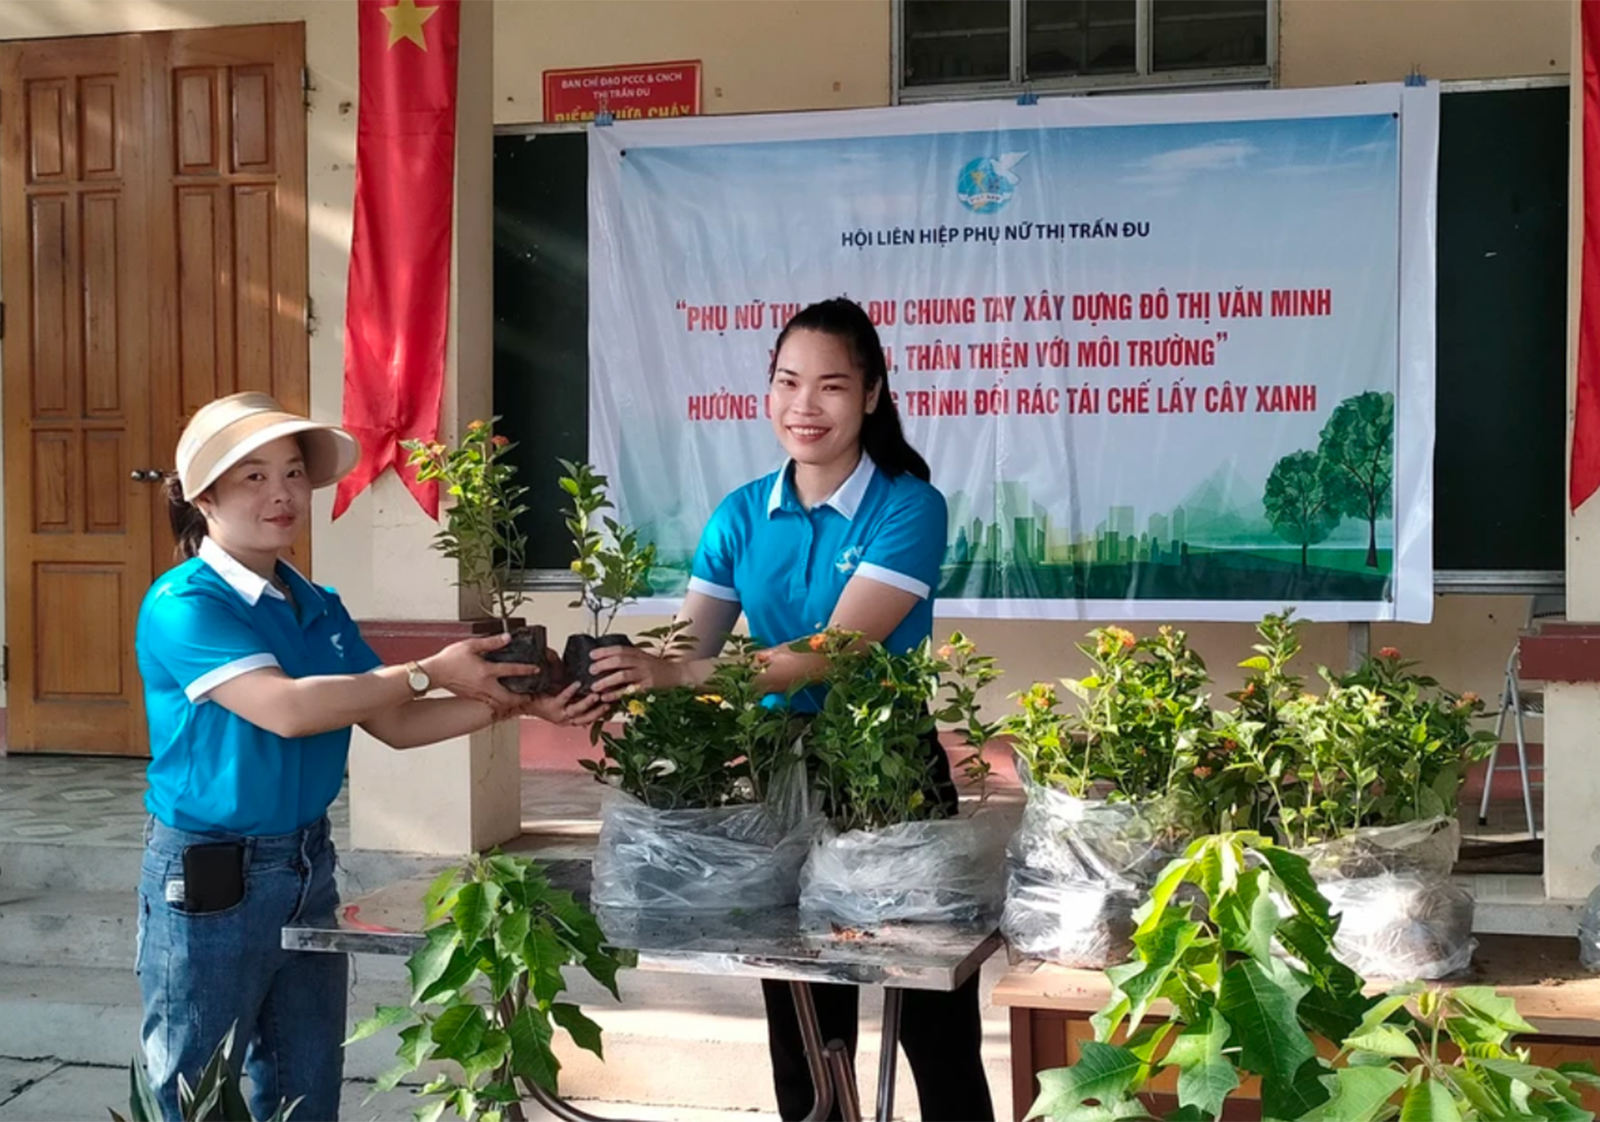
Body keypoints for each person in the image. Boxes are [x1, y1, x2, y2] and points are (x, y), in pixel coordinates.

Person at [134, 392, 601, 1121]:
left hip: (305, 863)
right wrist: (428, 671)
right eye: (254, 476)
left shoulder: (315, 602)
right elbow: (287, 710)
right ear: (204, 496)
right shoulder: (185, 604)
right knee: (200, 1096)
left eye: (293, 473)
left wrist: (513, 703)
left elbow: (395, 723)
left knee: (306, 1086)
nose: (282, 493)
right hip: (212, 877)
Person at [589, 298, 993, 1122]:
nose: (804, 405)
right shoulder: (741, 514)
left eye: (831, 386)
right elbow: (688, 651)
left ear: (872, 394)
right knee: (805, 1021)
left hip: (889, 773)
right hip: (778, 775)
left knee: (933, 1023)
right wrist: (617, 682)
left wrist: (675, 674)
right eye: (787, 382)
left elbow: (835, 652)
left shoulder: (909, 506)